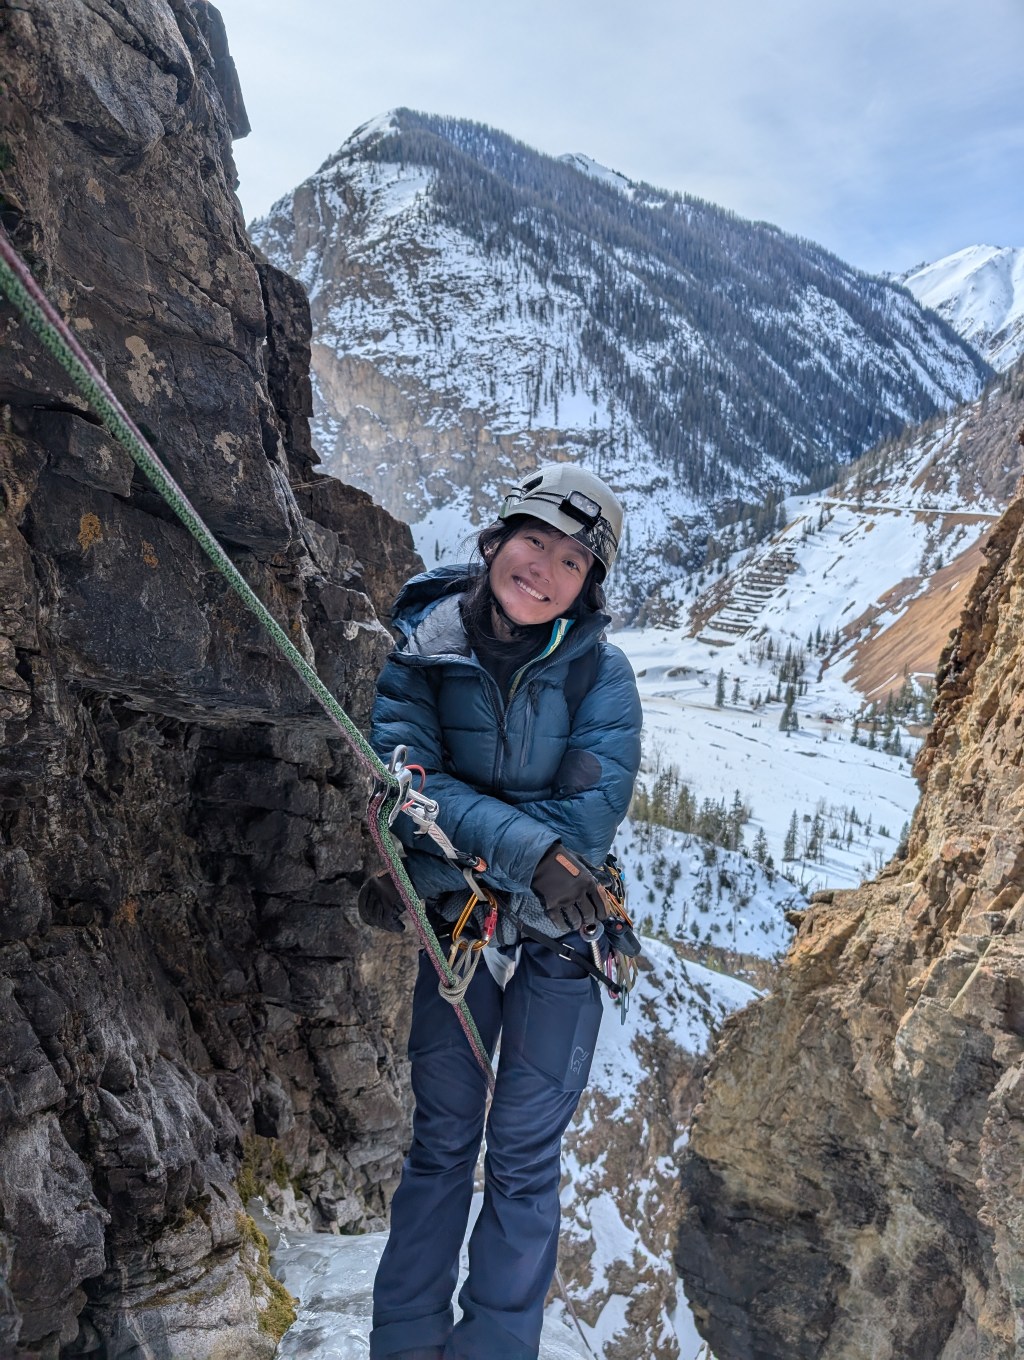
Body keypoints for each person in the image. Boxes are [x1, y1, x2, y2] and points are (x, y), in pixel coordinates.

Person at [359, 463, 643, 1360]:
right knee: (444, 1141)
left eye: (572, 561)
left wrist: (470, 835)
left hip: (542, 940)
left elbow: (584, 832)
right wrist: (531, 853)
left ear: (588, 587)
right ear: (495, 542)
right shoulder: (422, 649)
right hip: (470, 931)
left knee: (520, 1157)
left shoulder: (602, 675)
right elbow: (406, 793)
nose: (545, 569)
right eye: (534, 541)